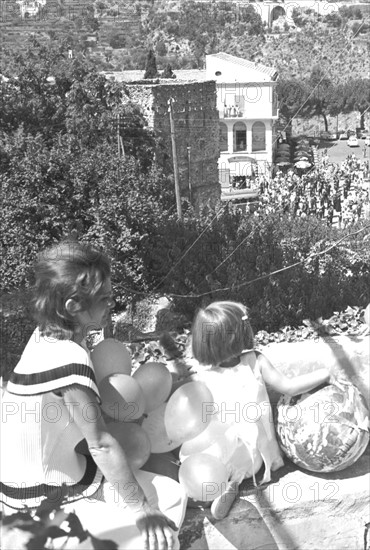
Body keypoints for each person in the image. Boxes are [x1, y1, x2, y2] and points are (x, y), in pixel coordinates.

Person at [1, 241, 187, 550]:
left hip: (30, 490)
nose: (111, 305)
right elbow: (100, 444)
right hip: (41, 506)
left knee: (160, 499)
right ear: (73, 306)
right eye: (105, 299)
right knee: (167, 503)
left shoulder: (44, 338)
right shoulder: (68, 357)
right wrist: (142, 510)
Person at [191, 301, 332, 521]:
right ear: (236, 336)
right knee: (231, 458)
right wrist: (325, 374)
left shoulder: (202, 374)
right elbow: (289, 386)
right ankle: (229, 484)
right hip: (255, 457)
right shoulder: (254, 361)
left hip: (221, 452)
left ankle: (219, 488)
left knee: (209, 460)